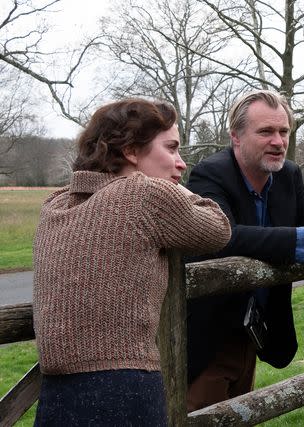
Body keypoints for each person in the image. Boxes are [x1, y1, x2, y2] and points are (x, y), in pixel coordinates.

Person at [32, 98, 231, 425]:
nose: (180, 163)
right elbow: (217, 229)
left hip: (55, 395)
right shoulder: (143, 195)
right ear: (131, 151)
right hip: (124, 391)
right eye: (171, 149)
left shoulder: (55, 204)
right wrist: (178, 191)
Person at [185, 90, 304, 411]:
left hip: (252, 336)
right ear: (236, 137)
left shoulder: (287, 176)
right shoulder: (208, 176)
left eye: (283, 131)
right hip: (210, 339)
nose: (278, 141)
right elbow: (225, 237)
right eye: (265, 131)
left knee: (240, 418)